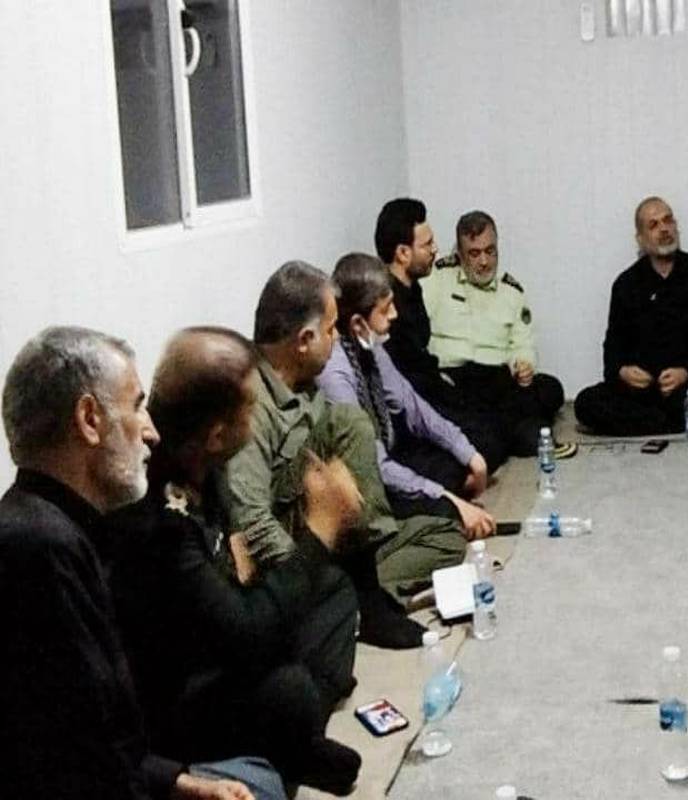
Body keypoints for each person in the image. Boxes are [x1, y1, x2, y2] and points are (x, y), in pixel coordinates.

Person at [0, 326, 286, 800]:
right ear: (89, 420)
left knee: (258, 775)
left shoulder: (60, 530)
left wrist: (179, 783)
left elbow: (95, 738)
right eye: (136, 407)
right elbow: (73, 768)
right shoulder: (42, 548)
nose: (151, 431)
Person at [108, 327, 362, 795]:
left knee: (335, 593)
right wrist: (321, 528)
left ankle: (290, 739)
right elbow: (244, 636)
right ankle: (284, 747)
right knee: (291, 688)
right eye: (251, 407)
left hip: (217, 632)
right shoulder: (157, 512)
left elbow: (235, 563)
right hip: (175, 696)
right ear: (217, 434)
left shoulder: (203, 463)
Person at [218, 261, 466, 649]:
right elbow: (253, 523)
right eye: (331, 330)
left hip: (336, 530)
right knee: (348, 421)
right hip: (295, 551)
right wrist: (310, 570)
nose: (335, 340)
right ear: (304, 339)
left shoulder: (304, 381)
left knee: (446, 533)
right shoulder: (248, 404)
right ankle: (362, 600)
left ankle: (356, 594)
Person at [317, 252, 497, 538]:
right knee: (444, 518)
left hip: (389, 456)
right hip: (361, 485)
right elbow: (372, 466)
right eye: (385, 308)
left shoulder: (369, 345)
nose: (394, 315)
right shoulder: (335, 374)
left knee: (466, 455)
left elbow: (412, 406)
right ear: (357, 323)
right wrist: (446, 498)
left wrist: (470, 454)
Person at [574, 196, 688, 435]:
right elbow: (613, 347)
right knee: (586, 403)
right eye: (653, 225)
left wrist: (686, 371)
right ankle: (676, 423)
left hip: (687, 385)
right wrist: (623, 371)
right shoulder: (626, 284)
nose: (664, 229)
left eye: (668, 221)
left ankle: (651, 422)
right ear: (640, 238)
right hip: (642, 392)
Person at [374, 197, 509, 470]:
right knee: (489, 443)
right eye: (427, 245)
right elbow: (405, 389)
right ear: (403, 253)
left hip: (434, 390)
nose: (435, 249)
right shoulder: (387, 306)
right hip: (413, 409)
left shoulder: (414, 288)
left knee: (495, 422)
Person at [422, 210, 568, 457]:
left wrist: (524, 364)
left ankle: (504, 429)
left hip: (497, 380)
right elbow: (417, 335)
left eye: (490, 251)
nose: (484, 262)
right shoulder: (436, 280)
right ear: (459, 254)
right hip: (454, 379)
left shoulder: (511, 291)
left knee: (550, 388)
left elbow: (522, 343)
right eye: (474, 253)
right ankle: (520, 431)